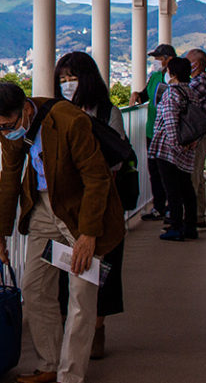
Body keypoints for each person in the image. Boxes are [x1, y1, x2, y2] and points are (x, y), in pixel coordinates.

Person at [0, 81, 124, 383]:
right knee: (34, 286)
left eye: (7, 125)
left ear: (24, 110)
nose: (5, 133)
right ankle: (49, 363)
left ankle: (70, 375)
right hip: (43, 207)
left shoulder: (68, 120)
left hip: (81, 210)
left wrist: (88, 234)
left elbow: (97, 179)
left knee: (81, 296)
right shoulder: (9, 129)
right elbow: (9, 178)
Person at [53, 52, 127, 360]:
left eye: (72, 78)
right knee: (65, 270)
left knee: (102, 270)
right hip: (67, 204)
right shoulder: (58, 113)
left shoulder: (107, 112)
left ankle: (96, 332)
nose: (68, 85)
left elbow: (119, 156)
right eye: (63, 80)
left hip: (104, 200)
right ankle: (71, 332)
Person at [149, 57, 199, 241]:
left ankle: (176, 227)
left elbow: (170, 123)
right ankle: (190, 226)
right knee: (186, 188)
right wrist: (188, 144)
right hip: (188, 146)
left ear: (173, 73)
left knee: (172, 191)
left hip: (168, 149)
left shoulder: (171, 94)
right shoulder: (191, 92)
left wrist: (177, 146)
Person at [129, 43, 176, 222]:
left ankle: (172, 207)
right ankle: (159, 206)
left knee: (169, 172)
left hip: (168, 132)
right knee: (154, 171)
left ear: (168, 59)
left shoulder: (174, 77)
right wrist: (136, 94)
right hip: (152, 132)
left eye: (158, 58)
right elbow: (146, 96)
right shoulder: (155, 77)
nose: (155, 62)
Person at [184, 48, 206, 229]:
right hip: (200, 136)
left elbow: (181, 96)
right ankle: (198, 216)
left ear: (197, 64)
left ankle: (189, 220)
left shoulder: (199, 82)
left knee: (192, 178)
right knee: (198, 177)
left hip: (196, 137)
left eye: (188, 61)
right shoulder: (201, 81)